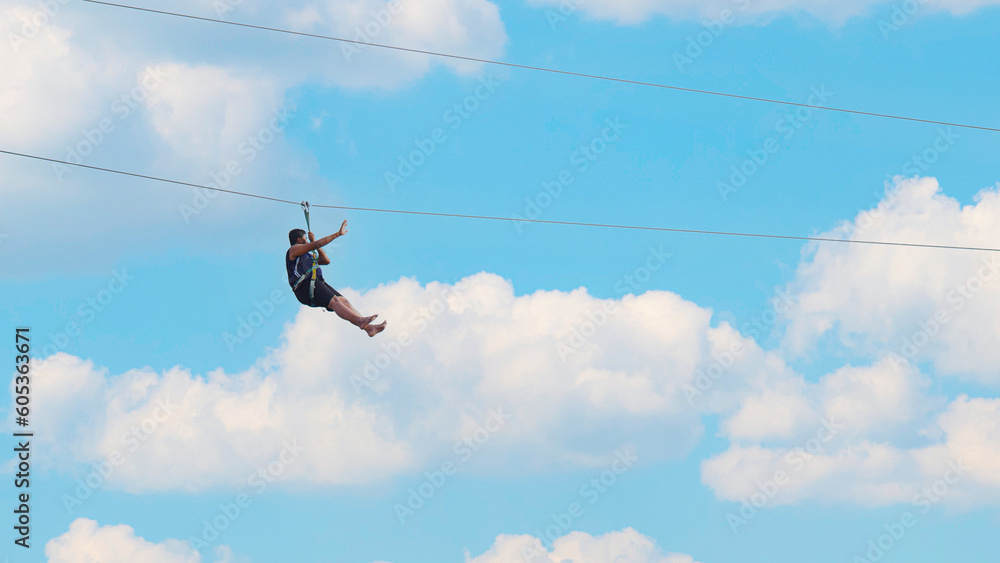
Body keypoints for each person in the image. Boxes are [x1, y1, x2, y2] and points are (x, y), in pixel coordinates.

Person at [286, 220, 386, 337]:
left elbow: (325, 261)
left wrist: (313, 241)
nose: (307, 241)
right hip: (304, 287)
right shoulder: (294, 250)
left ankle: (369, 328)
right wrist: (337, 234)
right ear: (299, 240)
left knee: (344, 301)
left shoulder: (306, 255)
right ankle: (360, 321)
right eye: (305, 239)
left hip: (314, 283)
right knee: (335, 302)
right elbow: (317, 244)